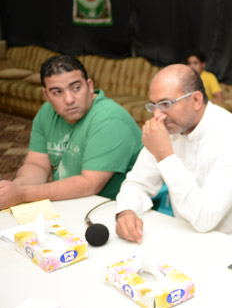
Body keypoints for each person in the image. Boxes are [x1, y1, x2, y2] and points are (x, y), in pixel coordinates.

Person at [114, 64, 232, 244]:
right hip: (187, 236)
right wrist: (127, 211)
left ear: (196, 100)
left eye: (166, 104)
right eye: (154, 106)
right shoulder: (170, 128)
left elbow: (205, 218)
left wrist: (165, 156)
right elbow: (137, 183)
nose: (158, 115)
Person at [0, 55, 142, 208]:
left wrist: (22, 194)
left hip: (116, 208)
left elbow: (90, 184)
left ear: (90, 86)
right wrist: (13, 188)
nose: (69, 99)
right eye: (57, 92)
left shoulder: (110, 120)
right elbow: (37, 165)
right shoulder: (47, 112)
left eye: (76, 88)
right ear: (46, 95)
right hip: (72, 202)